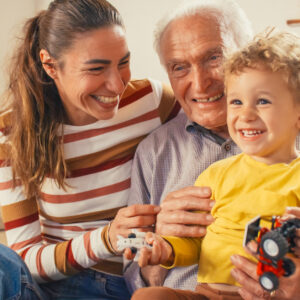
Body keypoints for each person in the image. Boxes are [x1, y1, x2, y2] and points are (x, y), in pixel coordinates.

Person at [0, 0, 180, 299]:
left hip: (133, 282)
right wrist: (107, 239)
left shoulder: (152, 101)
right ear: (50, 65)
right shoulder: (12, 133)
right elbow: (26, 257)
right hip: (56, 286)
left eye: (123, 62)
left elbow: (220, 132)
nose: (116, 84)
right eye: (96, 68)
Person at [123, 0, 300, 299]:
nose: (201, 83)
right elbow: (132, 264)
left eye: (214, 57)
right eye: (179, 67)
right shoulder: (158, 152)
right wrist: (161, 245)